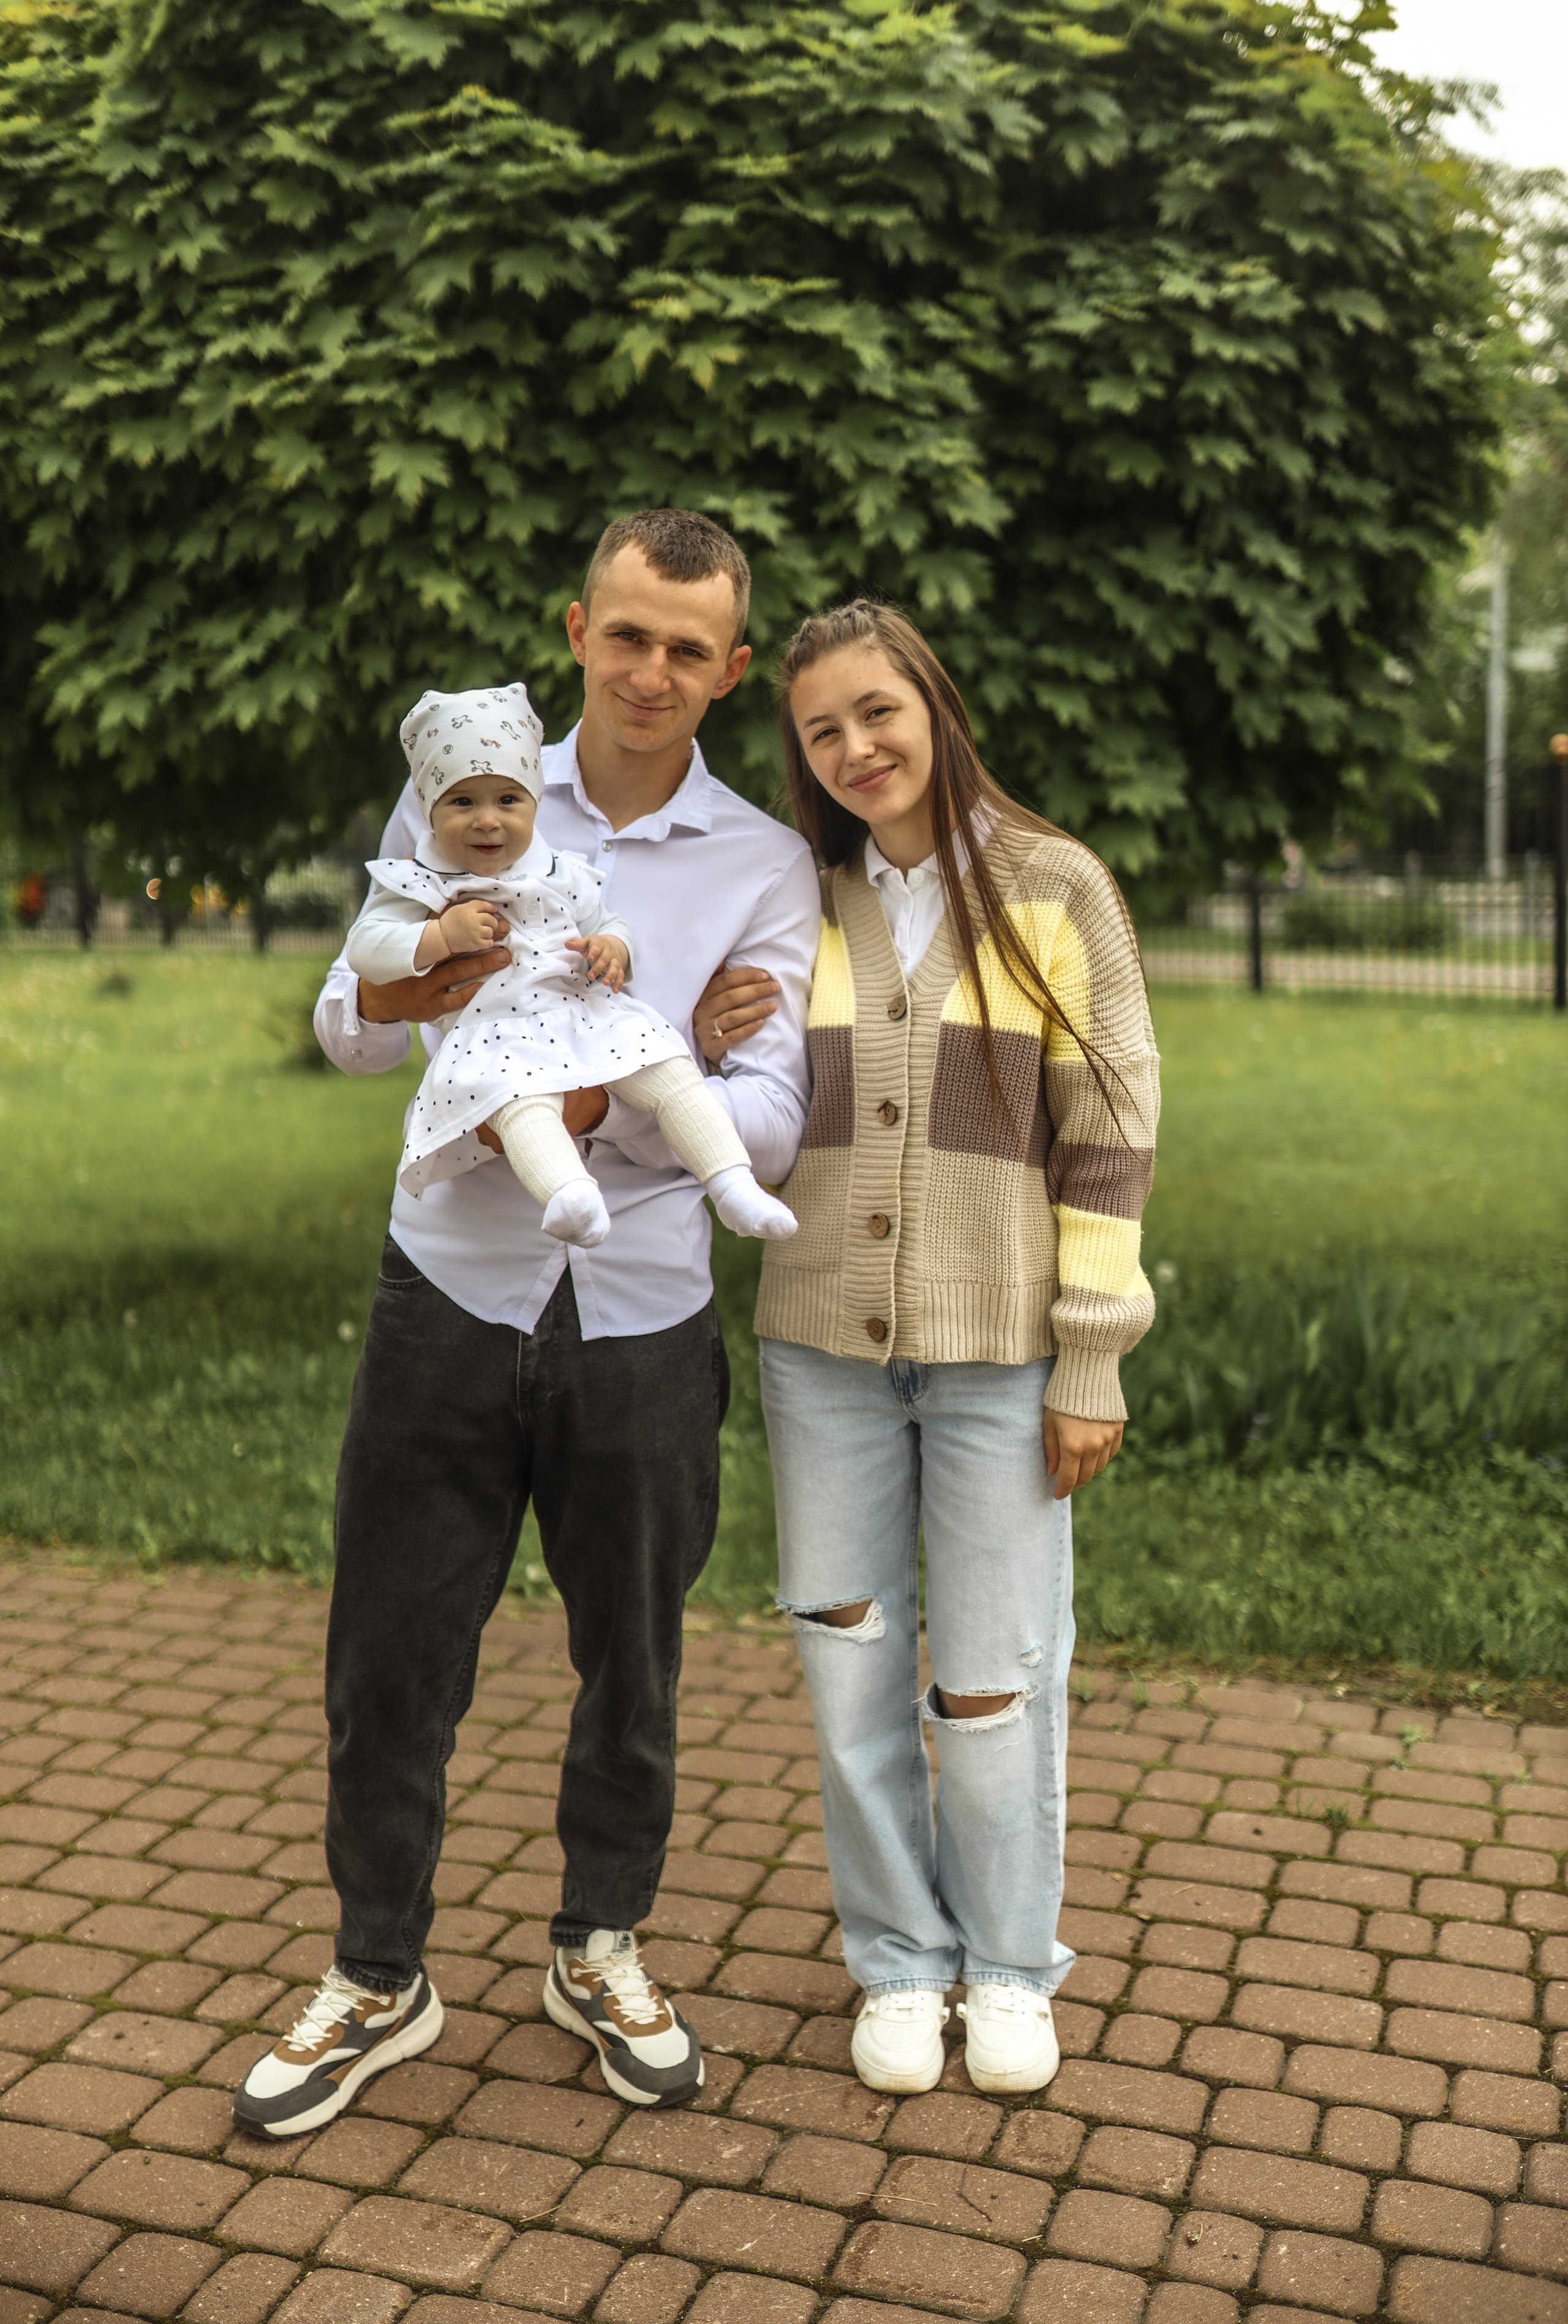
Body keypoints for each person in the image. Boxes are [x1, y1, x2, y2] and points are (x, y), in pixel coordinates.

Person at [234, 511, 818, 2137]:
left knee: (630, 1657)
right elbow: (350, 1030)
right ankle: (376, 1975)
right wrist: (429, 985)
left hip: (644, 1307)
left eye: (688, 648)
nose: (651, 671)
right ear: (578, 629)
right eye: (626, 634)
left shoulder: (766, 861)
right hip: (448, 1293)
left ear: (731, 668)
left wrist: (646, 1085)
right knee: (391, 1653)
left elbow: (769, 1114)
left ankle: (601, 1943)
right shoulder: (465, 782)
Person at [754, 599, 1159, 2098]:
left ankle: (1004, 1959)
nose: (855, 747)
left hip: (999, 1351)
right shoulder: (787, 894)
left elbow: (1110, 1136)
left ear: (931, 701)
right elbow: (738, 1090)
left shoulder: (1053, 885)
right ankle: (894, 1957)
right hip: (818, 1348)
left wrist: (1091, 1351)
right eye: (821, 729)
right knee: (844, 1657)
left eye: (877, 711)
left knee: (990, 1677)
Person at [346, 679, 795, 1247]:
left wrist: (615, 949)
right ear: (430, 810)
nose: (487, 820)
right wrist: (437, 936)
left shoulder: (558, 869)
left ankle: (733, 1184)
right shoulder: (423, 879)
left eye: (508, 800)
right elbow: (366, 945)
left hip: (583, 1013)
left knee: (670, 1069)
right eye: (463, 801)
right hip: (496, 1033)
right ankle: (568, 1193)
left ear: (533, 803)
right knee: (521, 1102)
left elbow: (605, 919)